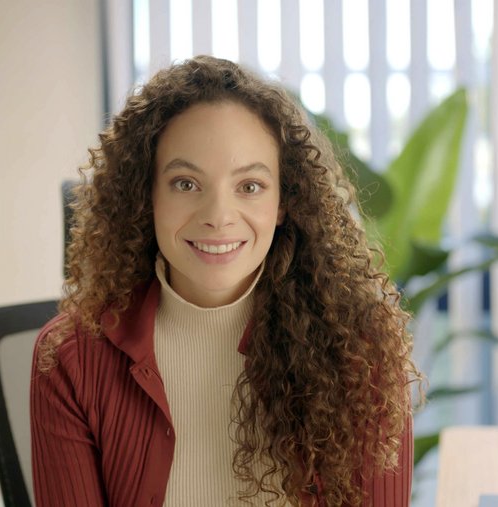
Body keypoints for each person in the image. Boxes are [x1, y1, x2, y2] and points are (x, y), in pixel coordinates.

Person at [30, 55, 422, 506]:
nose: (217, 216)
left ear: (283, 203)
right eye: (185, 184)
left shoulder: (359, 348)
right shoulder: (70, 358)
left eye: (249, 186)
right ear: (147, 195)